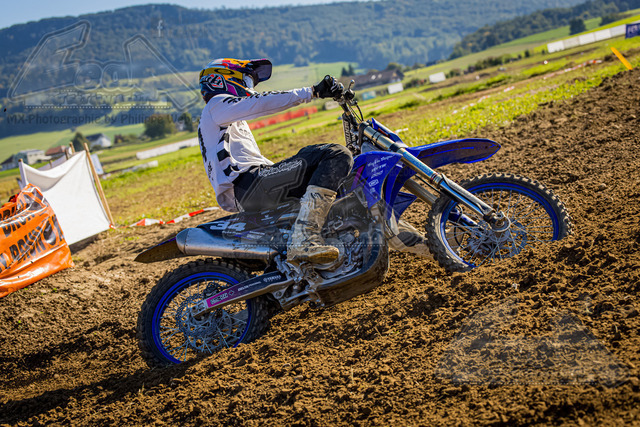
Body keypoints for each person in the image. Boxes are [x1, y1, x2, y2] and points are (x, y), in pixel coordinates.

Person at [197, 58, 353, 265]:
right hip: (250, 185)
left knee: (322, 173)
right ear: (220, 80)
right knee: (334, 154)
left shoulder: (226, 118)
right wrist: (312, 92)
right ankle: (304, 238)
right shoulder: (216, 106)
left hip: (250, 187)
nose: (248, 87)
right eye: (246, 80)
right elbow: (260, 103)